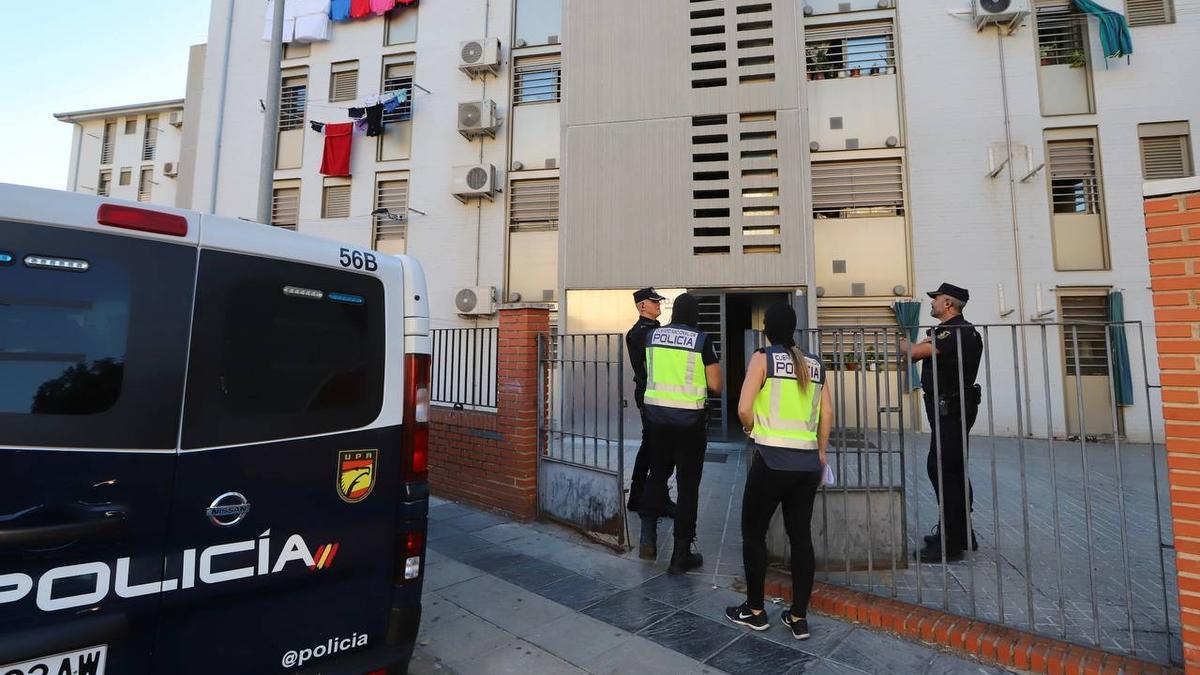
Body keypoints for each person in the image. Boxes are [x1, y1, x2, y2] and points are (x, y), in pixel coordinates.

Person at [724, 303, 833, 640]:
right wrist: (820, 452)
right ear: (795, 328)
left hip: (771, 461)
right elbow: (826, 413)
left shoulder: (763, 358)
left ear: (768, 329)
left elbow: (743, 408)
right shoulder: (814, 364)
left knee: (753, 532)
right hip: (806, 465)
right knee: (801, 538)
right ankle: (798, 617)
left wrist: (750, 429)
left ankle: (755, 611)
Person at [899, 283, 984, 563]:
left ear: (948, 303)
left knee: (943, 469)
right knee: (952, 468)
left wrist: (904, 344)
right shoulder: (959, 331)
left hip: (952, 409)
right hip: (952, 408)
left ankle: (951, 542)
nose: (932, 303)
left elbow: (914, 352)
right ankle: (961, 531)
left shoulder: (954, 332)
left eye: (936, 299)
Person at [639, 293, 722, 573]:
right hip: (689, 424)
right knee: (688, 487)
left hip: (656, 419)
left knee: (657, 475)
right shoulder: (701, 339)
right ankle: (680, 553)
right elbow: (715, 385)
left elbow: (649, 372)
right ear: (695, 314)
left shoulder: (653, 336)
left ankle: (646, 538)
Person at [625, 287, 676, 520]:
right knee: (658, 447)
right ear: (641, 306)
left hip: (655, 394)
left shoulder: (654, 330)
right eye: (654, 301)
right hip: (651, 395)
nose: (659, 305)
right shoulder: (640, 333)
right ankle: (655, 499)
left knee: (652, 445)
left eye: (659, 301)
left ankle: (638, 496)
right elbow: (648, 367)